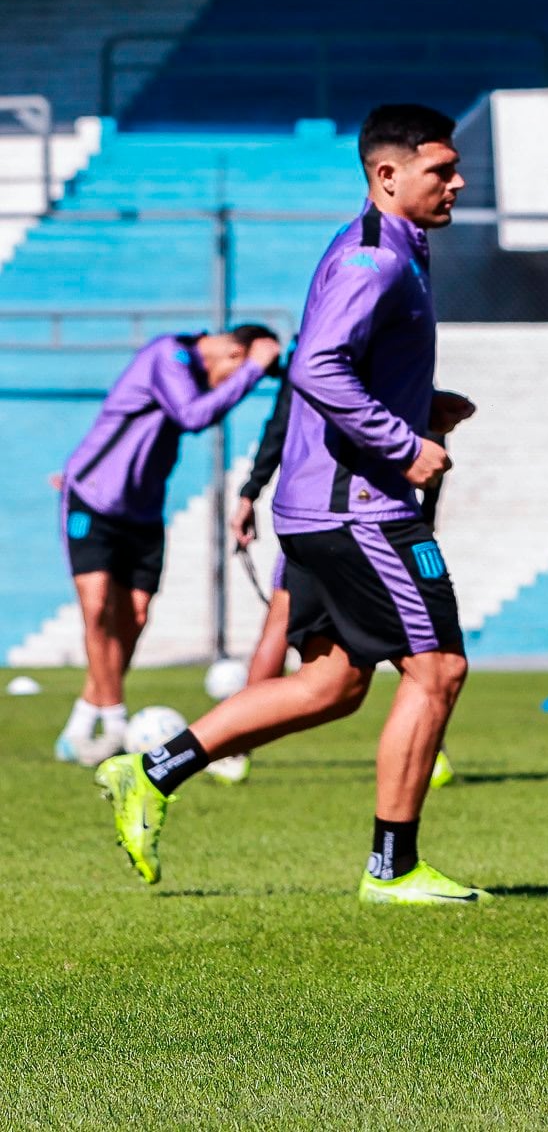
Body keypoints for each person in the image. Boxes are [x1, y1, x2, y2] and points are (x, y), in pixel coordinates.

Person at [93, 102, 486, 904]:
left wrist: (423, 405)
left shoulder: (392, 249)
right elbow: (318, 369)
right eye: (441, 170)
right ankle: (393, 869)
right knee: (439, 667)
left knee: (334, 685)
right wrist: (404, 443)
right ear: (388, 175)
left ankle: (149, 771)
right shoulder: (372, 261)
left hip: (322, 505)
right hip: (361, 509)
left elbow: (347, 367)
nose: (457, 182)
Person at [54, 324, 281, 766]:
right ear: (234, 354)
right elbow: (194, 416)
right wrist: (255, 368)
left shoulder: (193, 374)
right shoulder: (169, 356)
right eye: (240, 371)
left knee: (135, 616)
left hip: (142, 513)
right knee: (98, 606)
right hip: (93, 499)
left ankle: (82, 721)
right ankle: (117, 726)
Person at [230, 364, 463, 786]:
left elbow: (280, 429)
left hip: (314, 519)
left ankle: (213, 754)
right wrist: (423, 517)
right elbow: (426, 439)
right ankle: (427, 757)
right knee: (431, 659)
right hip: (355, 519)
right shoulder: (349, 351)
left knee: (329, 671)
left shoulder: (325, 348)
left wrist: (251, 492)